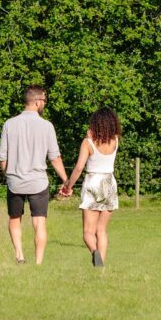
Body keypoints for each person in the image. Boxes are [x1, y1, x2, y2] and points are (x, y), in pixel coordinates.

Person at [0, 85, 69, 265]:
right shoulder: (47, 126)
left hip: (15, 182)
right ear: (37, 102)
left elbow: (2, 157)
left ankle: (20, 255)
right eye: (44, 100)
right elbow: (55, 157)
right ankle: (38, 262)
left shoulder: (9, 124)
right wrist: (66, 181)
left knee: (15, 218)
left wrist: (9, 174)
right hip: (38, 182)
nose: (44, 103)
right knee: (39, 222)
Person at [61, 107, 121, 267]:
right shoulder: (115, 140)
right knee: (101, 230)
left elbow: (79, 167)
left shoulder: (88, 143)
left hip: (93, 182)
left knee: (88, 232)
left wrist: (68, 186)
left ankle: (95, 253)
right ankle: (101, 266)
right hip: (109, 183)